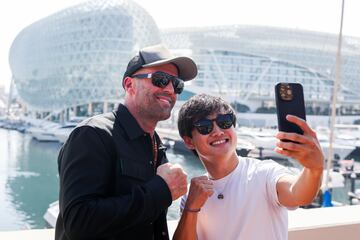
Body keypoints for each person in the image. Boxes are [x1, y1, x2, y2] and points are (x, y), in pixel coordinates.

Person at [55, 44, 198, 240]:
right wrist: (161, 190)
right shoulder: (93, 135)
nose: (170, 89)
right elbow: (78, 223)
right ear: (129, 85)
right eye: (160, 79)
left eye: (177, 84)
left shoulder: (155, 143)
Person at [173, 93, 324, 240]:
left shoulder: (264, 173)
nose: (218, 131)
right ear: (189, 141)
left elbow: (298, 194)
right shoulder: (192, 194)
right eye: (205, 127)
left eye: (224, 121)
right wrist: (190, 209)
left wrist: (314, 169)